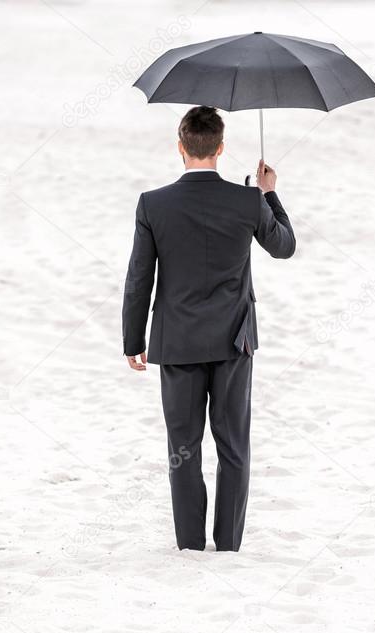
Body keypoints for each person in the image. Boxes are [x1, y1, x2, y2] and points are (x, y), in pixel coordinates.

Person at [121, 105, 296, 552]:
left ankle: (190, 545)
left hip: (176, 341)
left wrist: (132, 341)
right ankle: (229, 544)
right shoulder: (247, 200)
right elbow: (285, 247)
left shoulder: (153, 204)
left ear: (180, 147)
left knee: (183, 446)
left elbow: (140, 277)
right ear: (221, 147)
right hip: (233, 342)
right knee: (233, 444)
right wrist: (268, 194)